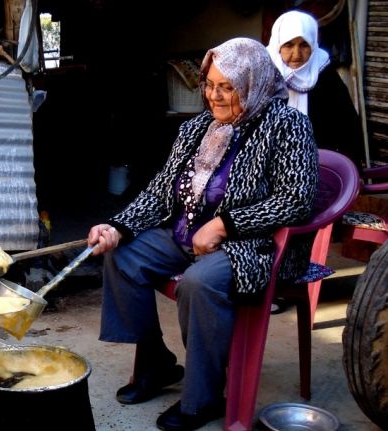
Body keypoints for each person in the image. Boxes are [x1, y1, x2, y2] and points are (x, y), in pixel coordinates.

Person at [87, 38, 318, 431]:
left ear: (253, 83)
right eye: (209, 85)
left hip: (251, 245)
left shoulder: (287, 124)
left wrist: (226, 224)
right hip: (185, 234)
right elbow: (160, 192)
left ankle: (204, 397)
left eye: (227, 87)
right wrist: (118, 226)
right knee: (123, 255)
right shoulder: (197, 127)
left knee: (198, 284)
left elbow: (297, 200)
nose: (214, 96)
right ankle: (157, 362)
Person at [266, 9, 364, 169]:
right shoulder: (264, 74)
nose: (296, 54)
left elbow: (349, 127)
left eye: (304, 44)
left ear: (313, 44)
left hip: (319, 167)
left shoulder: (326, 76)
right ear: (278, 45)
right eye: (288, 45)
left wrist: (351, 168)